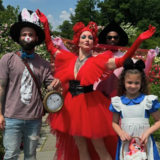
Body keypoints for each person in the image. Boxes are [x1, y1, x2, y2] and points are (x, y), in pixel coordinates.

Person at [36, 9, 155, 160]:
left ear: (94, 42)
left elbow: (121, 60)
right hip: (71, 106)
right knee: (81, 147)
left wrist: (139, 40)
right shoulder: (68, 59)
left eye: (90, 38)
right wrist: (45, 25)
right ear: (77, 40)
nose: (87, 39)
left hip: (90, 107)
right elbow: (51, 47)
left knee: (100, 149)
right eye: (84, 37)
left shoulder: (98, 60)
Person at [0, 8, 59, 160]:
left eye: (30, 35)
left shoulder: (44, 63)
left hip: (34, 118)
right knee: (11, 155)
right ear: (19, 38)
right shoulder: (8, 59)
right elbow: (1, 87)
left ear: (36, 38)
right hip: (11, 117)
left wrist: (56, 83)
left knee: (31, 156)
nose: (27, 37)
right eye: (24, 34)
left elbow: (49, 85)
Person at [109, 58, 160, 160]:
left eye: (137, 83)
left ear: (142, 83)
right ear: (123, 82)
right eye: (129, 82)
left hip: (143, 141)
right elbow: (114, 123)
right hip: (126, 143)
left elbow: (158, 121)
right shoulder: (118, 102)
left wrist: (147, 133)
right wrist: (121, 133)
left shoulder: (148, 101)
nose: (133, 86)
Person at [95, 20, 159, 99]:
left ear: (119, 39)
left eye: (115, 37)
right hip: (99, 96)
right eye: (109, 37)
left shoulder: (125, 58)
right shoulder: (97, 57)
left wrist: (150, 57)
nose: (112, 39)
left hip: (118, 97)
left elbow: (141, 71)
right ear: (105, 39)